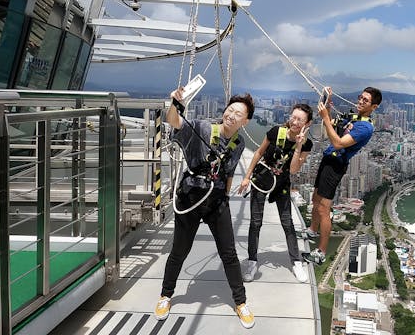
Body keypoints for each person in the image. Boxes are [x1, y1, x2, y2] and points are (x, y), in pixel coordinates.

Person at [154, 87, 256, 329]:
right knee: (179, 251)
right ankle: (165, 295)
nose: (231, 115)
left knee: (229, 253)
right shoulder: (202, 127)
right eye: (230, 109)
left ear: (246, 121)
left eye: (238, 113)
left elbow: (229, 171)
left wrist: (226, 198)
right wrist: (175, 103)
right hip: (190, 196)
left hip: (217, 199)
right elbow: (174, 122)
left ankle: (240, 302)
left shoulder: (238, 143)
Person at [302, 87, 382, 265]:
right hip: (327, 159)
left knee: (324, 208)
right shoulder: (353, 117)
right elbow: (331, 125)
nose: (360, 101)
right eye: (360, 97)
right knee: (315, 199)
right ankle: (312, 230)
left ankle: (321, 252)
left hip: (336, 164)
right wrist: (327, 105)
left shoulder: (365, 127)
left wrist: (324, 118)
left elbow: (338, 143)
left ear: (374, 107)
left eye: (365, 100)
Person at [238, 104, 314, 283]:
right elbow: (258, 153)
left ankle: (296, 261)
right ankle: (252, 260)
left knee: (287, 223)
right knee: (255, 222)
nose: (294, 122)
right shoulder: (275, 132)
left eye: (300, 120)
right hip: (262, 179)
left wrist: (298, 146)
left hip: (282, 184)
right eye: (293, 117)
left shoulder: (307, 145)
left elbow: (294, 169)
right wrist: (247, 177)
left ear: (307, 124)